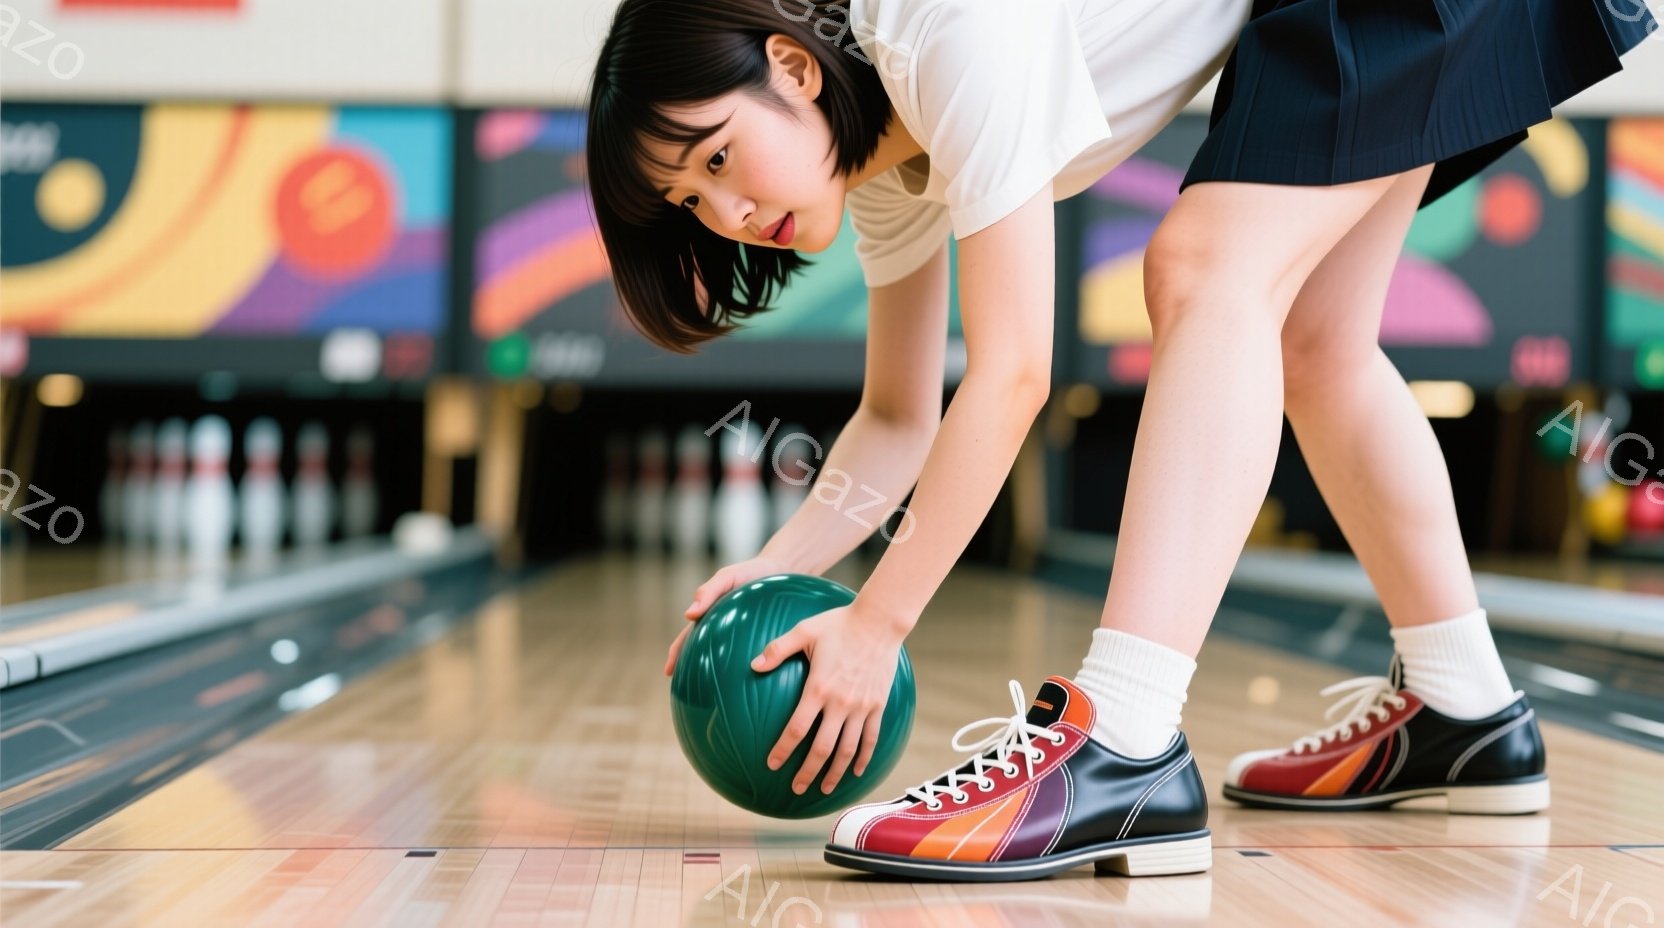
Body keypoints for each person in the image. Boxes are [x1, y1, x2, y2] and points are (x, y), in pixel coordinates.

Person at [587, 0, 1653, 882]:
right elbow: (899, 416)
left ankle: (1122, 739)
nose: (725, 208)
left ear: (792, 65)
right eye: (691, 199)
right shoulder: (884, 167)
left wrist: (876, 625)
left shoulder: (934, 30)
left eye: (720, 154)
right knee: (1311, 337)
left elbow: (1011, 375)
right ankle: (1462, 705)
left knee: (1202, 272)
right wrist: (775, 567)